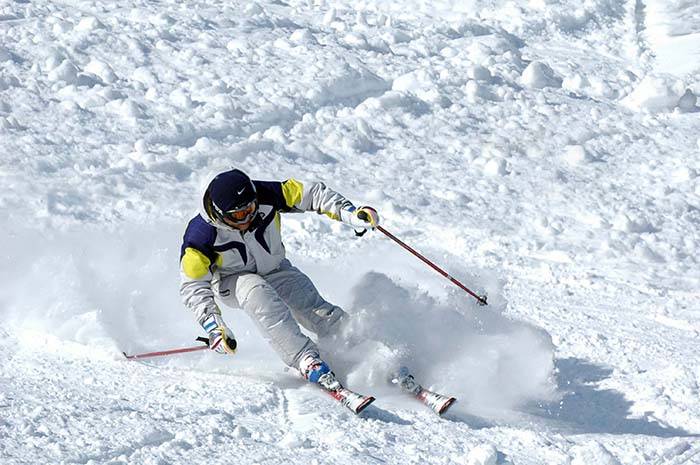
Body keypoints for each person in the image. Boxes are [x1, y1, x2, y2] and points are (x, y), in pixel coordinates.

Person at [179, 168, 379, 388]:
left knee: (313, 306)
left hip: (275, 269)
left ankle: (361, 347)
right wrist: (214, 327)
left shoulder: (266, 193)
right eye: (238, 215)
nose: (247, 217)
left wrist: (349, 213)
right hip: (232, 281)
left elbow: (312, 194)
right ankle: (305, 358)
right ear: (220, 215)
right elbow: (193, 285)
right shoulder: (201, 235)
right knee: (257, 291)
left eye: (251, 209)